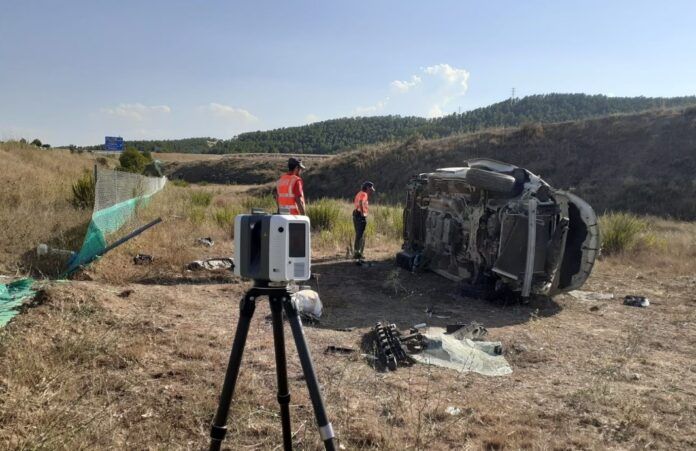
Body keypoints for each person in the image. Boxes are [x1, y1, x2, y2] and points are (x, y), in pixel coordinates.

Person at [353, 181, 375, 260]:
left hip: (356, 215)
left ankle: (356, 252)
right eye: (371, 188)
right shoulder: (364, 194)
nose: (372, 190)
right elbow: (360, 202)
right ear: (368, 188)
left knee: (358, 235)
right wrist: (362, 214)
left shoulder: (360, 193)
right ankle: (358, 253)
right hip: (360, 216)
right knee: (360, 236)